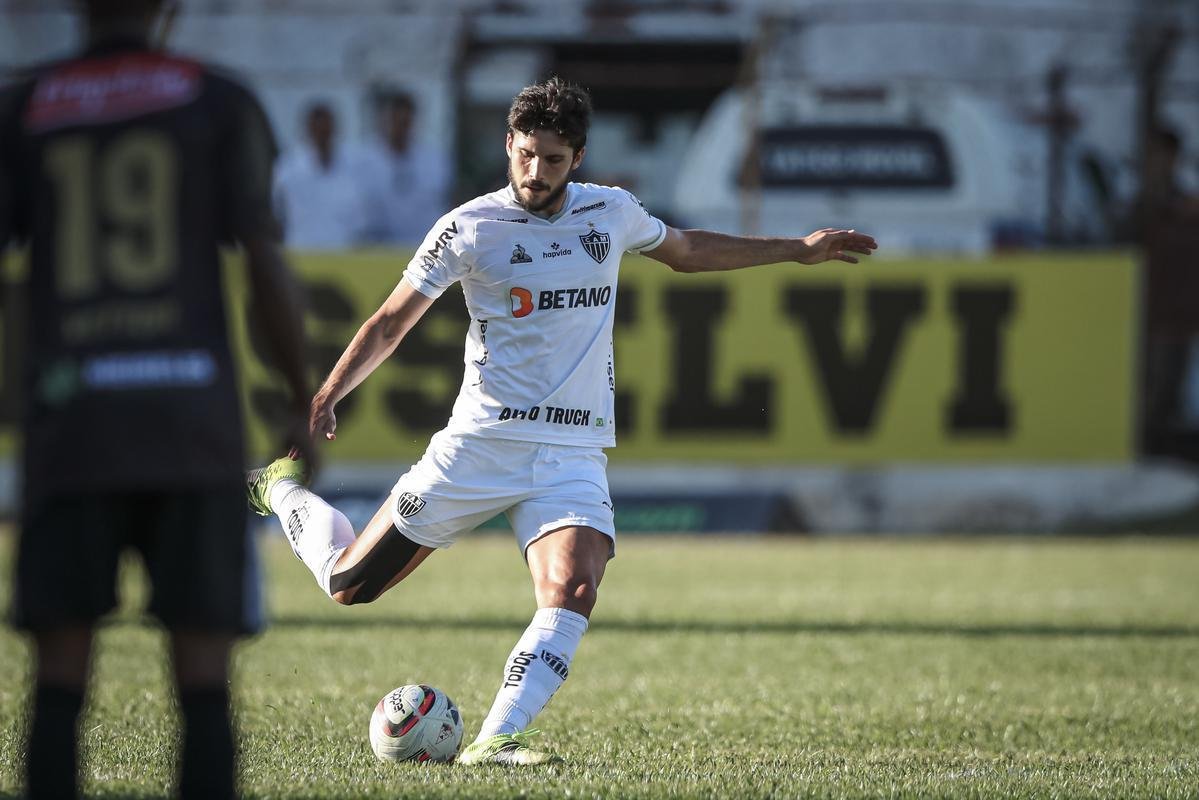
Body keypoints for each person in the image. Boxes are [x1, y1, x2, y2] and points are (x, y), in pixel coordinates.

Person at [247, 76, 876, 765]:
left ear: (577, 157)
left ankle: (498, 737)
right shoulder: (467, 228)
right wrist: (328, 393)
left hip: (571, 451)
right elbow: (391, 321)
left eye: (552, 159)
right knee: (348, 585)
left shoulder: (611, 211)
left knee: (573, 587)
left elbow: (688, 252)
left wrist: (797, 248)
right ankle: (279, 489)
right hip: (480, 445)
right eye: (525, 155)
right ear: (508, 146)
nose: (535, 172)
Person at [0, 0, 313, 797]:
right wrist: (301, 395)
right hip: (191, 424)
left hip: (74, 424)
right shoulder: (217, 99)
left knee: (59, 673)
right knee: (203, 674)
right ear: (167, 9)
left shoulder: (24, 105)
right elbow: (262, 261)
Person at [353, 88, 451, 244]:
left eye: (404, 122)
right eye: (395, 122)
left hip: (425, 245)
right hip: (380, 246)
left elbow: (446, 201)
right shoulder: (364, 161)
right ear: (384, 121)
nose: (399, 129)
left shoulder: (434, 160)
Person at [273, 101, 369, 249]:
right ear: (308, 131)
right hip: (301, 252)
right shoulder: (288, 168)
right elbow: (276, 213)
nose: (322, 136)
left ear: (334, 130)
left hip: (346, 253)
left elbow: (362, 217)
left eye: (326, 131)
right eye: (317, 130)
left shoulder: (356, 167)